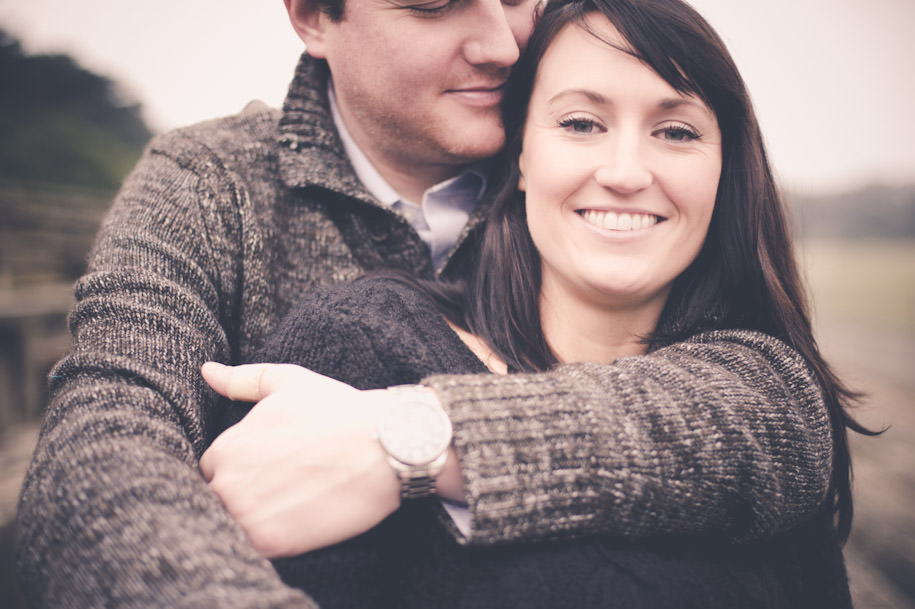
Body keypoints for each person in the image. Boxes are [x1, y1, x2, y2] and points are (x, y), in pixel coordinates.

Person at [14, 0, 859, 606]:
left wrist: (415, 440)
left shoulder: (583, 156)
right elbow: (102, 449)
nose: (500, 40)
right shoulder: (211, 186)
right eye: (434, 4)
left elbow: (768, 404)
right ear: (312, 16)